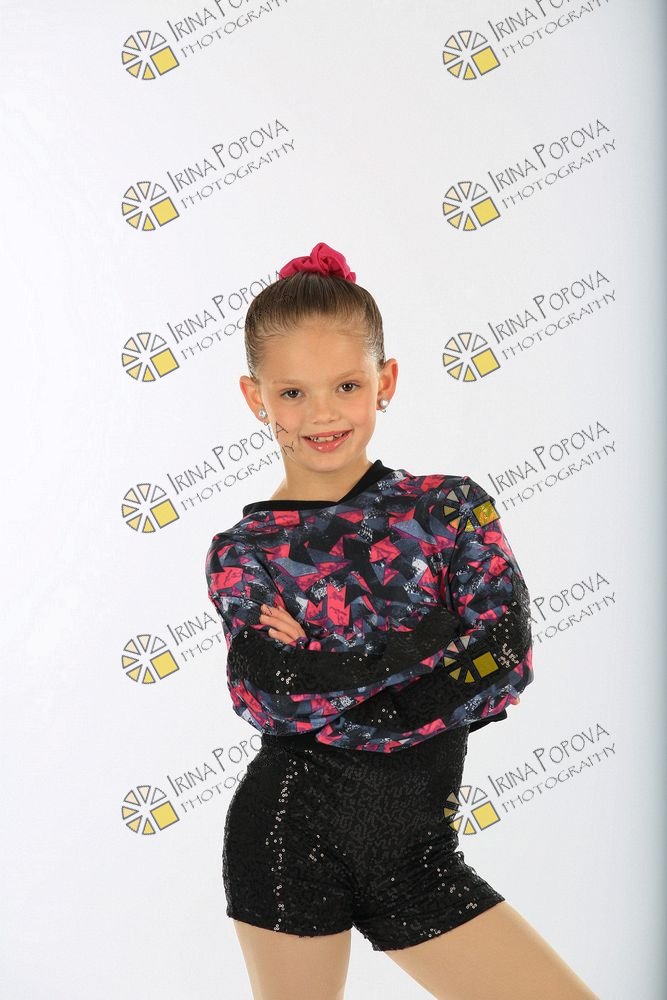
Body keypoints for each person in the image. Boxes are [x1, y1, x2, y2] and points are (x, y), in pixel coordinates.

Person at [204, 242, 598, 1000]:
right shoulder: (243, 551)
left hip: (418, 859)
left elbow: (505, 657)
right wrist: (429, 642)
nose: (322, 413)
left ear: (384, 382)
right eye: (292, 393)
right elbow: (269, 694)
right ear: (256, 397)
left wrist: (334, 682)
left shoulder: (446, 507)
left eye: (346, 385)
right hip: (288, 838)